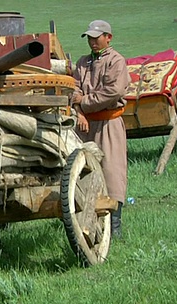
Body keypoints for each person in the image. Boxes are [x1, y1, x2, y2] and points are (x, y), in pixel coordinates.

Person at [71, 20, 130, 239]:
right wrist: (78, 111)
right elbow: (72, 89)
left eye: (97, 38)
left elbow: (112, 92)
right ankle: (84, 223)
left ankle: (114, 228)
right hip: (83, 123)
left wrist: (83, 102)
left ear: (108, 37)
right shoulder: (82, 62)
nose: (92, 42)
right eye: (89, 38)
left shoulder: (116, 61)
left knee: (112, 172)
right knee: (81, 171)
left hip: (108, 123)